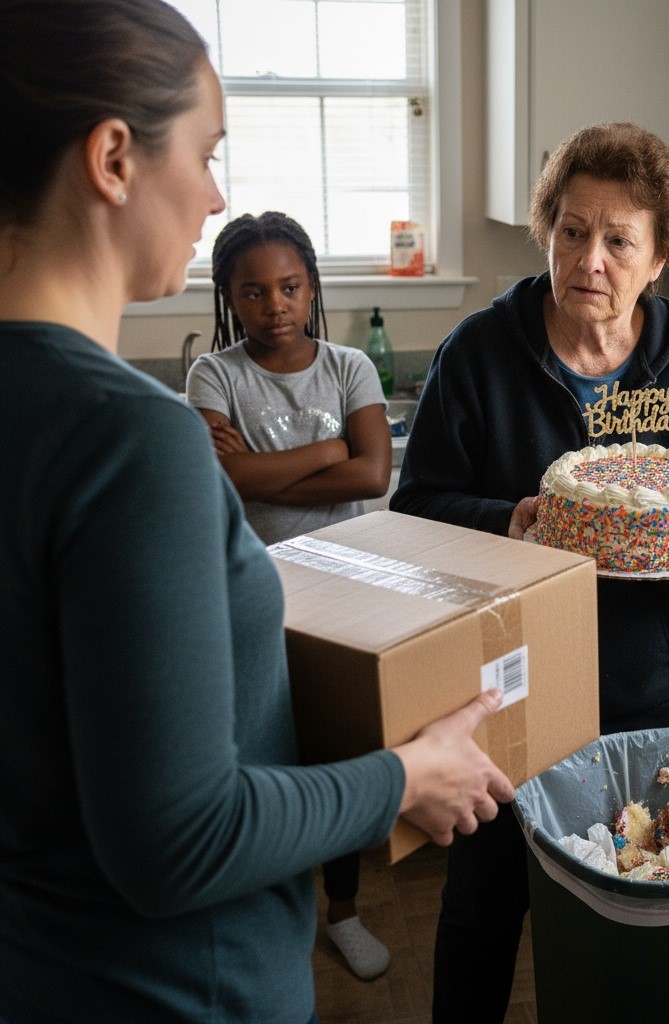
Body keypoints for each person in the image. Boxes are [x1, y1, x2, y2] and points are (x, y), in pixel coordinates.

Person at [0, 3, 514, 1023]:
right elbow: (177, 840)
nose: (213, 194)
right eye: (204, 150)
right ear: (112, 157)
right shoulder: (129, 439)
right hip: (173, 989)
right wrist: (406, 774)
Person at [390, 122, 669, 1023]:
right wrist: (510, 522)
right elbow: (416, 511)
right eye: (571, 230)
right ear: (547, 231)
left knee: (621, 913)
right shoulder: (479, 355)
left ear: (659, 256)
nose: (590, 259)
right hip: (504, 696)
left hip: (645, 698)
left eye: (618, 239)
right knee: (483, 912)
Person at [186, 210, 393, 980]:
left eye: (290, 286)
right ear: (229, 298)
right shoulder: (214, 375)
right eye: (253, 291)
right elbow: (224, 482)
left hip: (348, 590)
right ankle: (267, 911)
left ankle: (342, 910)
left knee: (338, 750)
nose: (274, 305)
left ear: (311, 287)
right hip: (253, 595)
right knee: (268, 756)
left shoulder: (349, 368)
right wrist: (330, 448)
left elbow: (372, 476)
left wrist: (276, 468)